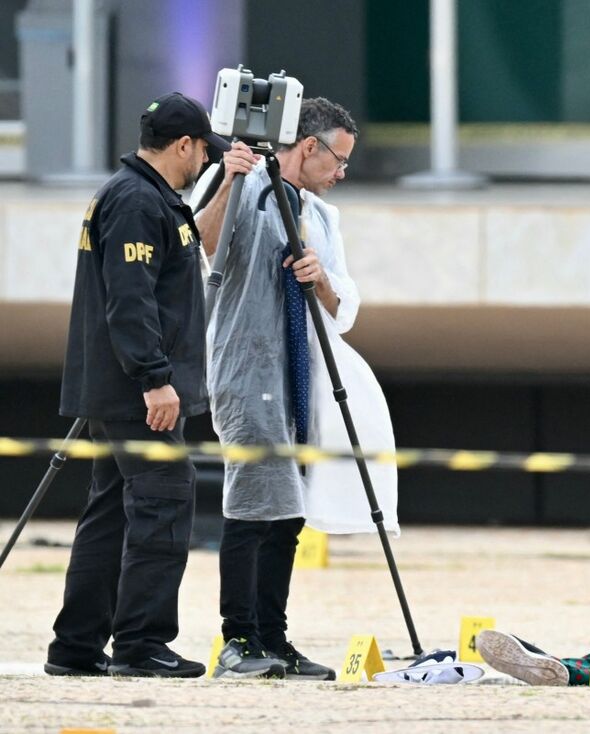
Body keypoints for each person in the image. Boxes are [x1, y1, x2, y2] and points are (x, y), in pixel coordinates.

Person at [194, 97, 397, 680]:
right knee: (254, 502)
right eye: (338, 160)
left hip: (301, 371)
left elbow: (345, 306)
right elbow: (200, 246)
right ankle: (238, 639)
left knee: (288, 512)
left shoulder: (321, 216)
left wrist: (322, 279)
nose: (341, 174)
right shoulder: (238, 180)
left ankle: (273, 638)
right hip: (244, 365)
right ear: (308, 146)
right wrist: (229, 181)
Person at [46, 92, 230, 678]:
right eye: (204, 150)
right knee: (165, 498)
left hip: (121, 388)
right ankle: (141, 643)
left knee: (112, 512)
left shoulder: (146, 196)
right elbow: (129, 301)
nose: (204, 160)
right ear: (183, 145)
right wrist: (154, 380)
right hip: (136, 392)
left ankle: (76, 647)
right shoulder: (134, 201)